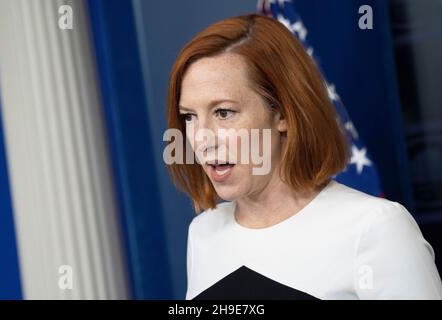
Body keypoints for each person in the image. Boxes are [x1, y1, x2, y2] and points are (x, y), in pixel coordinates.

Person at [165, 13, 442, 299]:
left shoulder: (375, 228)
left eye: (224, 112)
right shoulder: (203, 233)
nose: (201, 138)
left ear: (283, 113)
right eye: (189, 117)